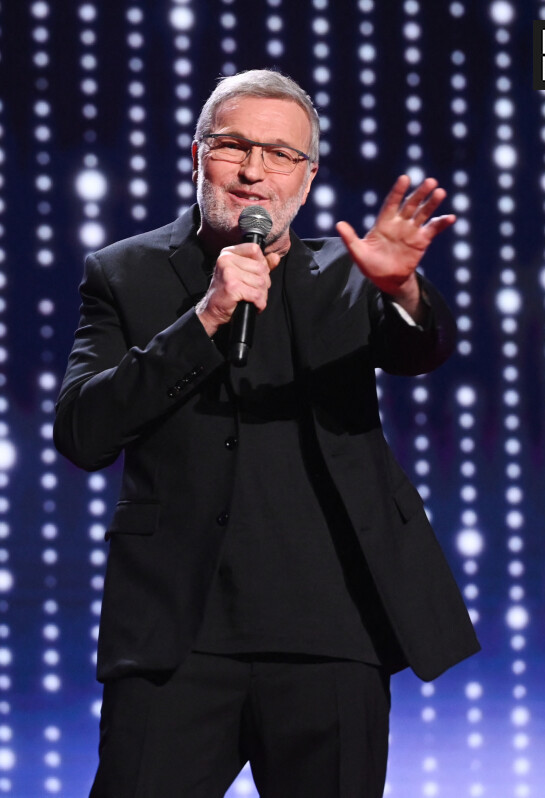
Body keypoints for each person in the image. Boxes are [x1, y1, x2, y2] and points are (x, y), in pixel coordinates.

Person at [54, 69, 480, 798]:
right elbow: (84, 431)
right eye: (234, 146)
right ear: (197, 155)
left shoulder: (349, 271)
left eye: (281, 154)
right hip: (177, 641)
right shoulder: (123, 273)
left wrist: (403, 290)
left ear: (307, 178)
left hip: (334, 634)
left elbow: (421, 350)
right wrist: (206, 320)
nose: (254, 171)